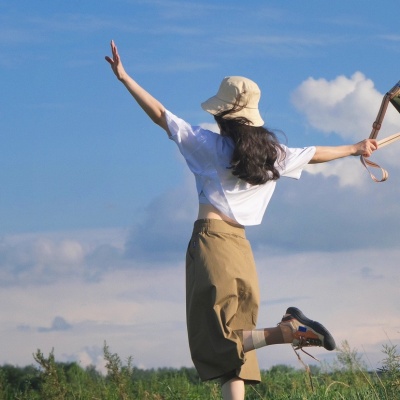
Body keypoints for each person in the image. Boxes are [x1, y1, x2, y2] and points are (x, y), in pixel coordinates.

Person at [105, 40, 378, 400]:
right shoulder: (273, 155)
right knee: (236, 350)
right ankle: (282, 334)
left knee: (216, 340)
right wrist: (357, 148)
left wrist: (126, 79)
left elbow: (160, 114)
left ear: (221, 115)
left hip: (211, 245)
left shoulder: (207, 145)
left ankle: (287, 331)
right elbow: (315, 154)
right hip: (242, 251)